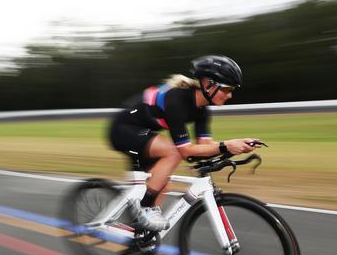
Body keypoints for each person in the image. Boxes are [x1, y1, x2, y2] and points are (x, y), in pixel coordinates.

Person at [108, 55, 263, 231]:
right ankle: (145, 207)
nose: (230, 95)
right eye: (227, 89)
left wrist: (236, 148)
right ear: (207, 84)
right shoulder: (177, 100)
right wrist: (226, 145)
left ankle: (141, 234)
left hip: (142, 133)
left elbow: (204, 147)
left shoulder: (203, 111)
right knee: (173, 152)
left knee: (164, 184)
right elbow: (186, 151)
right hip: (122, 129)